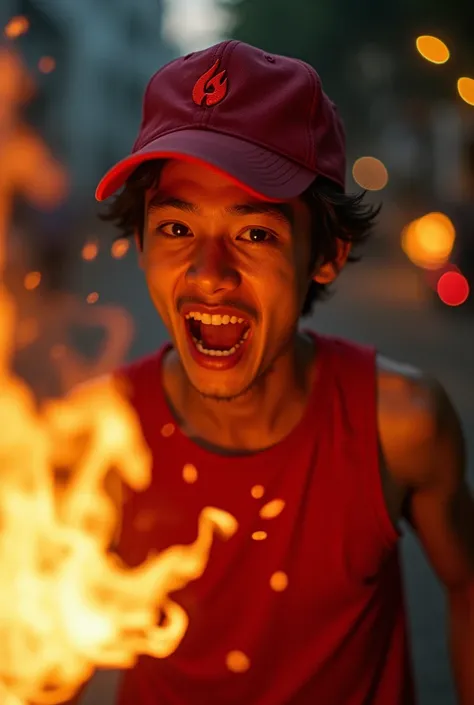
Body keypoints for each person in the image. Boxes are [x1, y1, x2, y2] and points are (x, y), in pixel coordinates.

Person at [87, 41, 474, 705]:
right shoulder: (97, 432)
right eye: (177, 227)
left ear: (325, 254)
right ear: (141, 242)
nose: (208, 271)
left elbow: (466, 583)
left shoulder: (399, 423)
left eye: (255, 233)